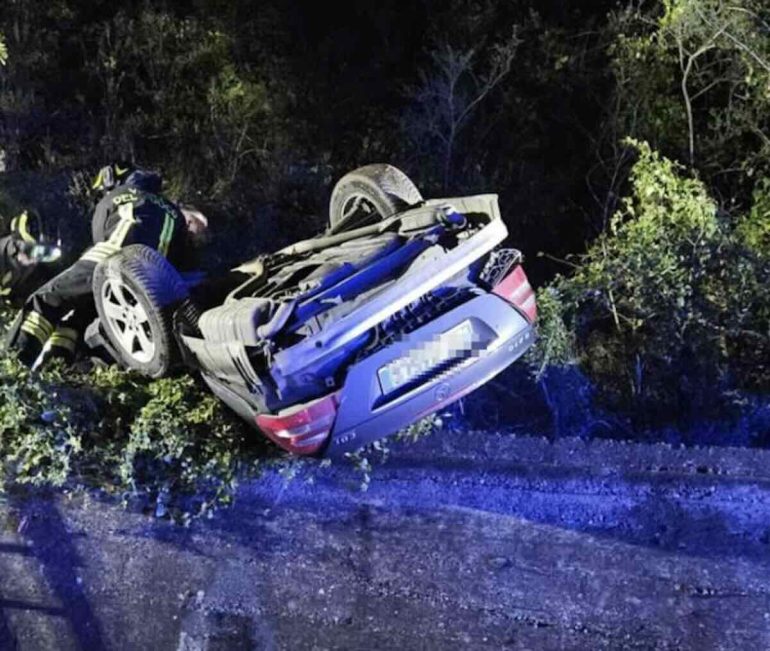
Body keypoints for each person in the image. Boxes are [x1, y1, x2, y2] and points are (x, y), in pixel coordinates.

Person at [8, 163, 192, 367]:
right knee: (76, 321)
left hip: (112, 257)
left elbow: (99, 233)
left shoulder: (118, 195)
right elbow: (183, 257)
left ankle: (14, 369)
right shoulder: (175, 213)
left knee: (45, 300)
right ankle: (59, 369)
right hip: (154, 283)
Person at [0, 210, 61, 302]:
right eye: (37, 252)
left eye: (45, 255)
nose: (35, 260)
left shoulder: (31, 271)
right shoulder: (3, 256)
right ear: (18, 245)